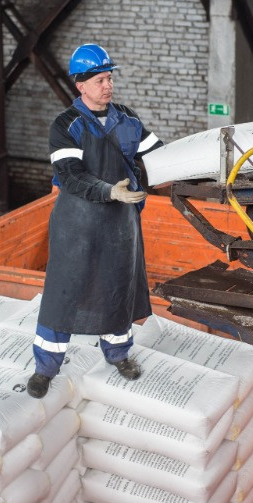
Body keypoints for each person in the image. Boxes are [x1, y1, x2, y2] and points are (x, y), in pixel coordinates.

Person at [27, 43, 163, 399]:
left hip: (121, 225)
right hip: (77, 226)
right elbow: (70, 175)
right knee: (64, 294)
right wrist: (109, 191)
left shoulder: (127, 119)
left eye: (110, 78)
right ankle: (45, 368)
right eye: (100, 80)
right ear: (81, 85)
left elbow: (159, 155)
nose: (108, 85)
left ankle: (118, 354)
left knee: (118, 288)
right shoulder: (66, 125)